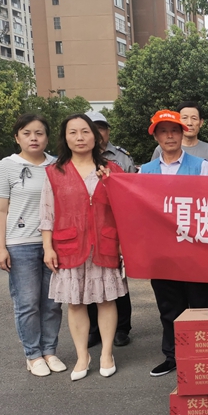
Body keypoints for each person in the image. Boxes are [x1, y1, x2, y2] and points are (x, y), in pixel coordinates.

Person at [40, 114, 127, 381]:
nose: (79, 137)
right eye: (73, 132)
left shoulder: (112, 169)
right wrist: (48, 247)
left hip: (105, 242)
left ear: (95, 136)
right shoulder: (54, 172)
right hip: (68, 244)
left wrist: (111, 182)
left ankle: (107, 353)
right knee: (75, 303)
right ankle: (82, 356)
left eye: (85, 132)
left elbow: (125, 209)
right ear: (65, 138)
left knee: (106, 300)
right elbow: (47, 213)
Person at [0, 114, 65, 377]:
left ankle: (50, 351)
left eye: (39, 133)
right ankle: (33, 355)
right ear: (17, 137)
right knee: (28, 302)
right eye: (26, 133)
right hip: (20, 244)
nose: (33, 138)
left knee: (53, 302)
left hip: (54, 244)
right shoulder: (5, 167)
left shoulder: (58, 165)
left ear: (47, 137)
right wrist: (1, 247)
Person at [141, 110, 208, 377]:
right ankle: (172, 355)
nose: (169, 136)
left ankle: (202, 353)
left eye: (174, 131)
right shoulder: (145, 171)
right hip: (161, 250)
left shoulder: (200, 166)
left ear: (183, 134)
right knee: (168, 306)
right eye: (163, 131)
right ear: (156, 137)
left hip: (193, 248)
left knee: (198, 304)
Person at [85, 111, 134, 348]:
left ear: (108, 131)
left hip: (114, 228)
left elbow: (133, 194)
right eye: (91, 129)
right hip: (86, 231)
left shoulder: (122, 158)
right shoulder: (76, 159)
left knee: (117, 281)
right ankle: (94, 329)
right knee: (89, 281)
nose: (97, 133)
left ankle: (122, 328)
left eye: (101, 128)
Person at [151, 101, 208, 175]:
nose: (189, 123)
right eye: (184, 118)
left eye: (194, 118)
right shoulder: (161, 149)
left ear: (201, 122)